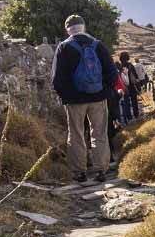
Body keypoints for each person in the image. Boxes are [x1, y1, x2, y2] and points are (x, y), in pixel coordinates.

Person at [51, 14, 120, 184]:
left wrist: (66, 96)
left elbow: (57, 79)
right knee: (99, 133)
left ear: (68, 30)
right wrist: (104, 91)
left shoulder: (63, 47)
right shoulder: (98, 45)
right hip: (98, 97)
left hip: (74, 101)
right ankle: (101, 170)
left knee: (76, 134)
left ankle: (79, 172)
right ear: (84, 27)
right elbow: (112, 73)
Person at [118, 51, 141, 121]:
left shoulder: (120, 67)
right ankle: (136, 114)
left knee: (126, 102)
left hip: (124, 87)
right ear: (128, 57)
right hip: (132, 85)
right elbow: (135, 75)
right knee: (134, 101)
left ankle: (129, 117)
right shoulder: (130, 65)